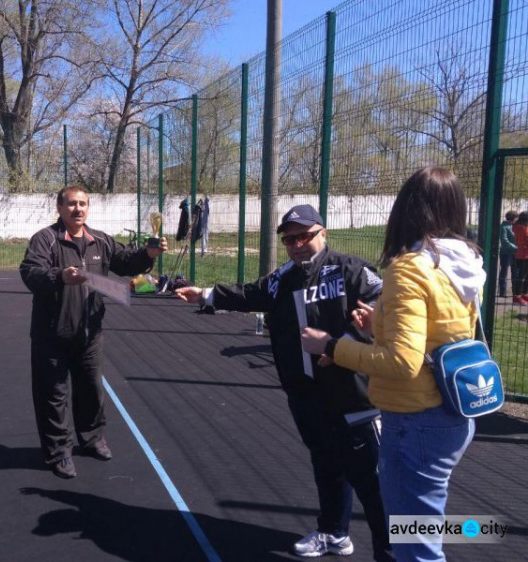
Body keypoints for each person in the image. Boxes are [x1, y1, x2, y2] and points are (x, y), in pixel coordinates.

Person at [176, 204, 392, 561]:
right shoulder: (283, 278)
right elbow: (251, 294)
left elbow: (384, 313)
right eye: (289, 238)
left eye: (303, 236)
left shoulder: (352, 270)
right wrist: (206, 295)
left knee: (375, 483)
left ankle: (393, 551)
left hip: (354, 396)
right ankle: (333, 532)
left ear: (323, 233)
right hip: (306, 395)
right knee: (326, 466)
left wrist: (343, 345)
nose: (295, 244)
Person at [301, 167, 483, 562]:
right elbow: (442, 333)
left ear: (407, 210)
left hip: (417, 418)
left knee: (416, 547)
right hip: (454, 412)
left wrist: (332, 344)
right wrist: (379, 326)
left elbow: (403, 362)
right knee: (421, 527)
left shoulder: (410, 268)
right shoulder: (463, 263)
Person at [20, 185, 167, 479]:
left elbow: (127, 262)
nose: (78, 209)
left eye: (83, 204)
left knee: (90, 389)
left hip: (90, 334)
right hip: (52, 336)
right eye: (72, 204)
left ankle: (92, 439)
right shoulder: (45, 240)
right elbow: (30, 273)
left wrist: (148, 253)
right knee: (53, 396)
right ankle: (59, 452)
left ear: (88, 208)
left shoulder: (100, 240)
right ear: (60, 208)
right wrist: (60, 276)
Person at [498, 211, 519, 301]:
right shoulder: (504, 227)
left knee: (515, 272)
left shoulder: (514, 226)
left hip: (515, 253)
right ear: (513, 218)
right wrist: (515, 247)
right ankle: (502, 291)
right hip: (506, 252)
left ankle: (516, 291)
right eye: (516, 217)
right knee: (504, 272)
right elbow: (504, 240)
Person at [512, 211, 528, 305]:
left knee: (525, 276)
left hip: (524, 254)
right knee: (521, 276)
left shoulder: (521, 227)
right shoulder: (521, 229)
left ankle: (523, 293)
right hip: (521, 255)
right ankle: (517, 296)